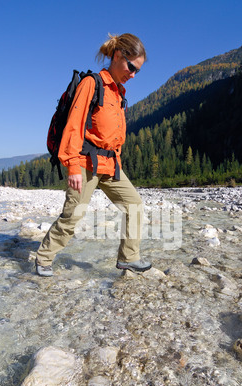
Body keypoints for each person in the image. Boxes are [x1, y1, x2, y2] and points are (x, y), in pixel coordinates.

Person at [35, 33, 151, 277]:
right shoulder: (92, 83)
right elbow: (74, 126)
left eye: (137, 71)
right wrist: (73, 167)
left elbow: (113, 136)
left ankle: (128, 258)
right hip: (85, 163)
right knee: (72, 215)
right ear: (118, 56)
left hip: (111, 165)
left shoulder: (118, 93)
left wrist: (118, 163)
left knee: (135, 206)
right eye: (131, 67)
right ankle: (44, 258)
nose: (133, 74)